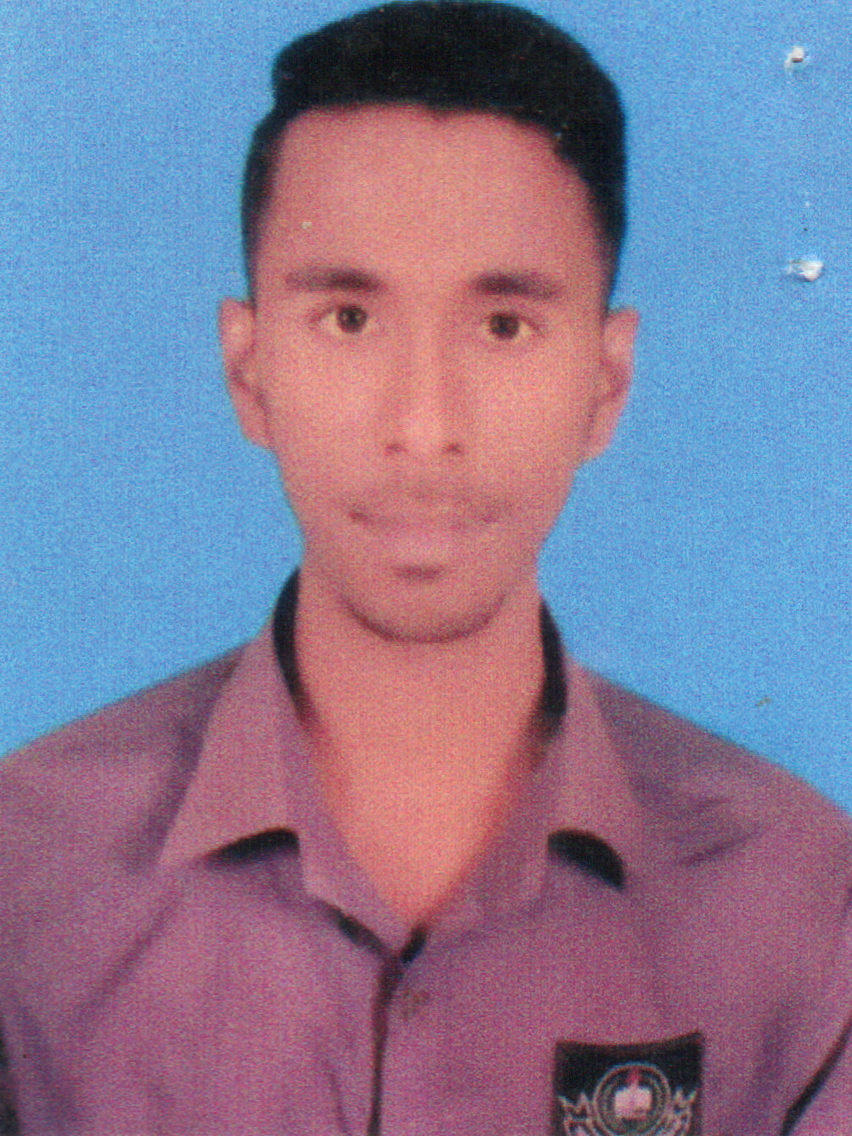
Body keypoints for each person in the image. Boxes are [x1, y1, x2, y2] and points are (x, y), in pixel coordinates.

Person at [1, 2, 849, 1133]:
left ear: (605, 384)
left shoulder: (798, 899)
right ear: (250, 371)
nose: (423, 426)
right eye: (350, 318)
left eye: (503, 326)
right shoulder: (26, 871)